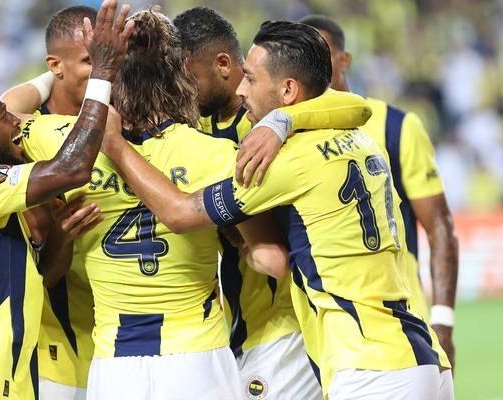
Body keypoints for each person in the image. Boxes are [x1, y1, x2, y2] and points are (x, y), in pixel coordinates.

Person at [99, 20, 454, 399]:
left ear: (288, 89)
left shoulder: (283, 161)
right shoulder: (359, 137)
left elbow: (182, 213)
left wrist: (116, 146)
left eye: (251, 78)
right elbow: (356, 105)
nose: (242, 87)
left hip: (364, 363)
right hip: (416, 349)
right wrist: (287, 118)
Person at [0, 1, 133, 398]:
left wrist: (62, 237)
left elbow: (43, 275)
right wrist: (102, 72)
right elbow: (72, 168)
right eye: (4, 117)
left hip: (2, 381)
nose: (16, 121)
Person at [172, 7, 319, 399]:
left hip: (283, 324)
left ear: (223, 64)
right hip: (243, 324)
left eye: (189, 78)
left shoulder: (265, 126)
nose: (183, 90)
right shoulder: (198, 130)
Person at [296, 15, 459, 368]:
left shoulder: (396, 127)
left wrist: (443, 321)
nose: (312, 65)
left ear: (345, 60)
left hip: (400, 325)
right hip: (320, 335)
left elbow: (439, 225)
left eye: (321, 54)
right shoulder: (286, 136)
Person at [2, 6, 100, 399]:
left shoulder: (124, 118)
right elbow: (5, 109)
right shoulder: (25, 138)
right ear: (55, 65)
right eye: (90, 60)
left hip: (128, 340)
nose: (104, 72)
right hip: (60, 349)